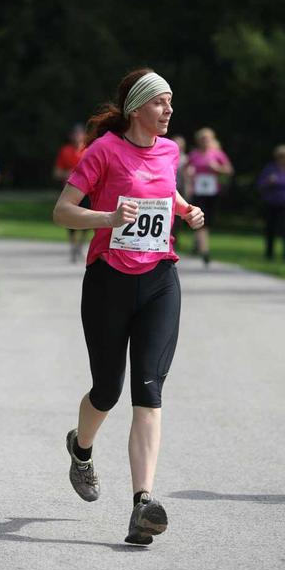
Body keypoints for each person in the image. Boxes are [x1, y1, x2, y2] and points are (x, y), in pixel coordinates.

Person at [53, 68, 204, 545]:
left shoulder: (170, 151)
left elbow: (164, 190)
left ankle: (143, 505)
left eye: (171, 101)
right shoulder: (103, 151)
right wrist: (109, 216)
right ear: (137, 107)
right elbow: (62, 211)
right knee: (107, 390)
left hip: (160, 279)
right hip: (108, 282)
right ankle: (81, 450)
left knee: (149, 391)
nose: (169, 109)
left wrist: (184, 209)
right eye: (161, 101)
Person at [186, 128, 234, 264]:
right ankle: (205, 250)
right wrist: (189, 175)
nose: (205, 141)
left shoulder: (217, 154)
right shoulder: (194, 154)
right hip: (198, 191)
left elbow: (229, 170)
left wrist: (217, 168)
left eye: (207, 139)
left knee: (208, 220)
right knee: (202, 219)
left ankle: (198, 243)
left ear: (212, 140)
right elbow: (186, 169)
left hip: (212, 192)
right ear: (198, 141)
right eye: (202, 139)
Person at [53, 124, 89, 262]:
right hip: (69, 191)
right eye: (74, 134)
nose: (77, 137)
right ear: (70, 136)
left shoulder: (89, 150)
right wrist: (69, 173)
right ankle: (73, 246)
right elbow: (56, 172)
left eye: (79, 134)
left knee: (87, 218)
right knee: (69, 218)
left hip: (87, 191)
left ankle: (80, 245)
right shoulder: (65, 151)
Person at [258, 144, 285, 262]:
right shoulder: (270, 168)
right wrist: (268, 181)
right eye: (282, 156)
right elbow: (260, 184)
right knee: (271, 229)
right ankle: (269, 254)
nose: (284, 158)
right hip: (271, 202)